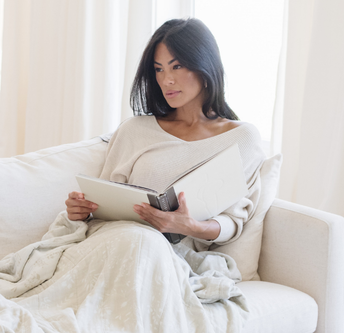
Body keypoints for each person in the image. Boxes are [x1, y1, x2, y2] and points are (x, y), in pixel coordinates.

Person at [65, 17, 264, 248]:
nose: (166, 80)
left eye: (176, 66)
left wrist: (191, 227)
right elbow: (102, 204)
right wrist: (82, 210)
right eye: (159, 69)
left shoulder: (242, 138)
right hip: (115, 241)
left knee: (145, 244)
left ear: (205, 65)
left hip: (171, 257)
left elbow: (233, 220)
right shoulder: (135, 130)